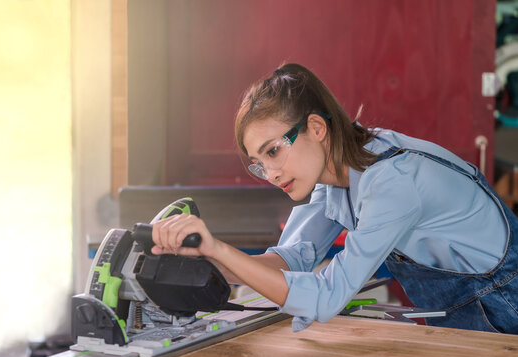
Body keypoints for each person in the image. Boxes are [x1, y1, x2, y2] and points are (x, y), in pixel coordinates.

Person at [150, 63, 518, 334]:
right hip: (462, 312)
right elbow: (290, 260)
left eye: (274, 151)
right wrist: (204, 259)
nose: (271, 173)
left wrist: (217, 249)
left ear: (316, 128)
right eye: (259, 164)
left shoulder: (392, 180)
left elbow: (326, 297)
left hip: (505, 303)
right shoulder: (332, 172)